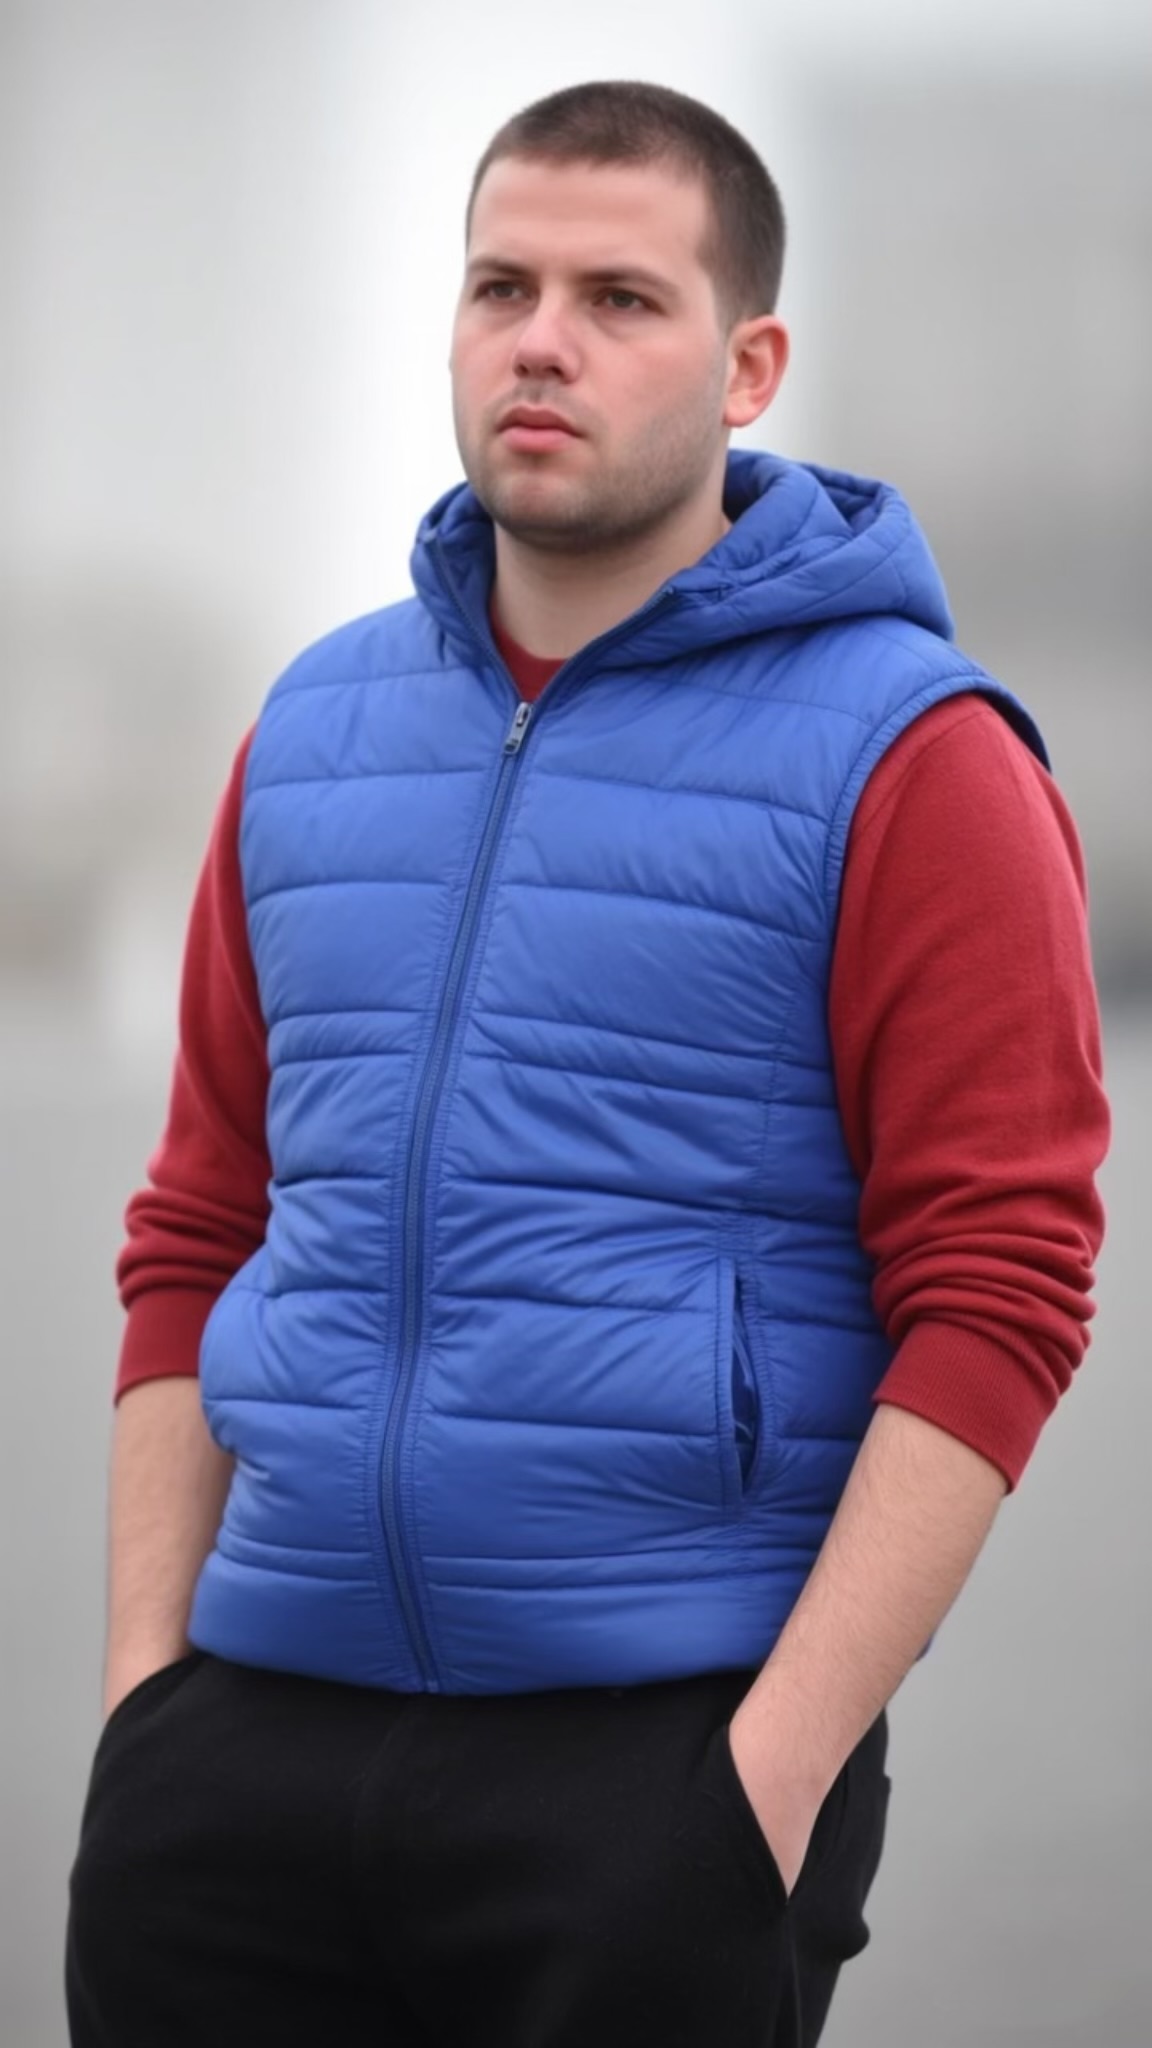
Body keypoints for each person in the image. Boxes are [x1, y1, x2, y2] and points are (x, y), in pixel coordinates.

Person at [66, 79, 1108, 2048]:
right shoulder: (311, 731)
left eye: (621, 297)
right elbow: (199, 1223)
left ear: (749, 365)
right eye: (502, 287)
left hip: (656, 1774)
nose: (542, 340)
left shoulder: (919, 757)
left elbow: (997, 1292)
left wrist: (760, 1784)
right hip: (240, 1770)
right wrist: (147, 1700)